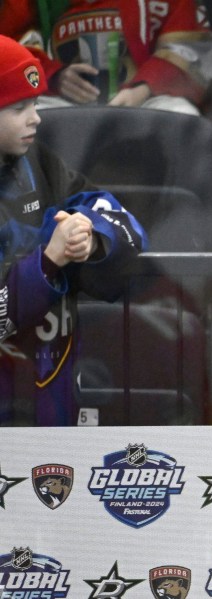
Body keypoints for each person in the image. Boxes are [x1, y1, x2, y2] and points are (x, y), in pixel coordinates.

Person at [0, 36, 147, 425]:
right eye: (19, 108)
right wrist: (50, 261)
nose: (36, 118)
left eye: (36, 104)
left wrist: (93, 237)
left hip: (50, 388)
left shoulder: (34, 159)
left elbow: (108, 210)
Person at [1, 0, 212, 114]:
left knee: (180, 115)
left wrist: (144, 88)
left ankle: (176, 200)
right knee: (29, 120)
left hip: (148, 100)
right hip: (61, 101)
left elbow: (191, 47)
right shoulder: (31, 3)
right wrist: (55, 76)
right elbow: (10, 47)